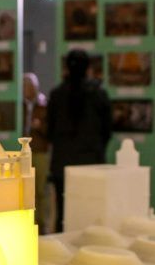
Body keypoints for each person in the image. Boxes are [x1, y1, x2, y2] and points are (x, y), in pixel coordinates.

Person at [47, 49, 112, 232]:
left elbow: (50, 130)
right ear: (88, 68)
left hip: (63, 165)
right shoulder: (98, 94)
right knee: (92, 215)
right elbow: (107, 130)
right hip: (91, 163)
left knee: (64, 216)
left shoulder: (57, 95)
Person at [23, 73, 51, 233]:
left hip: (40, 151)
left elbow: (51, 131)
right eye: (24, 86)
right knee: (28, 190)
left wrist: (40, 126)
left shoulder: (44, 105)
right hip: (24, 153)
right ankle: (30, 222)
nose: (26, 89)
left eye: (29, 86)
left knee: (41, 190)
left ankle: (43, 223)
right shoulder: (20, 105)